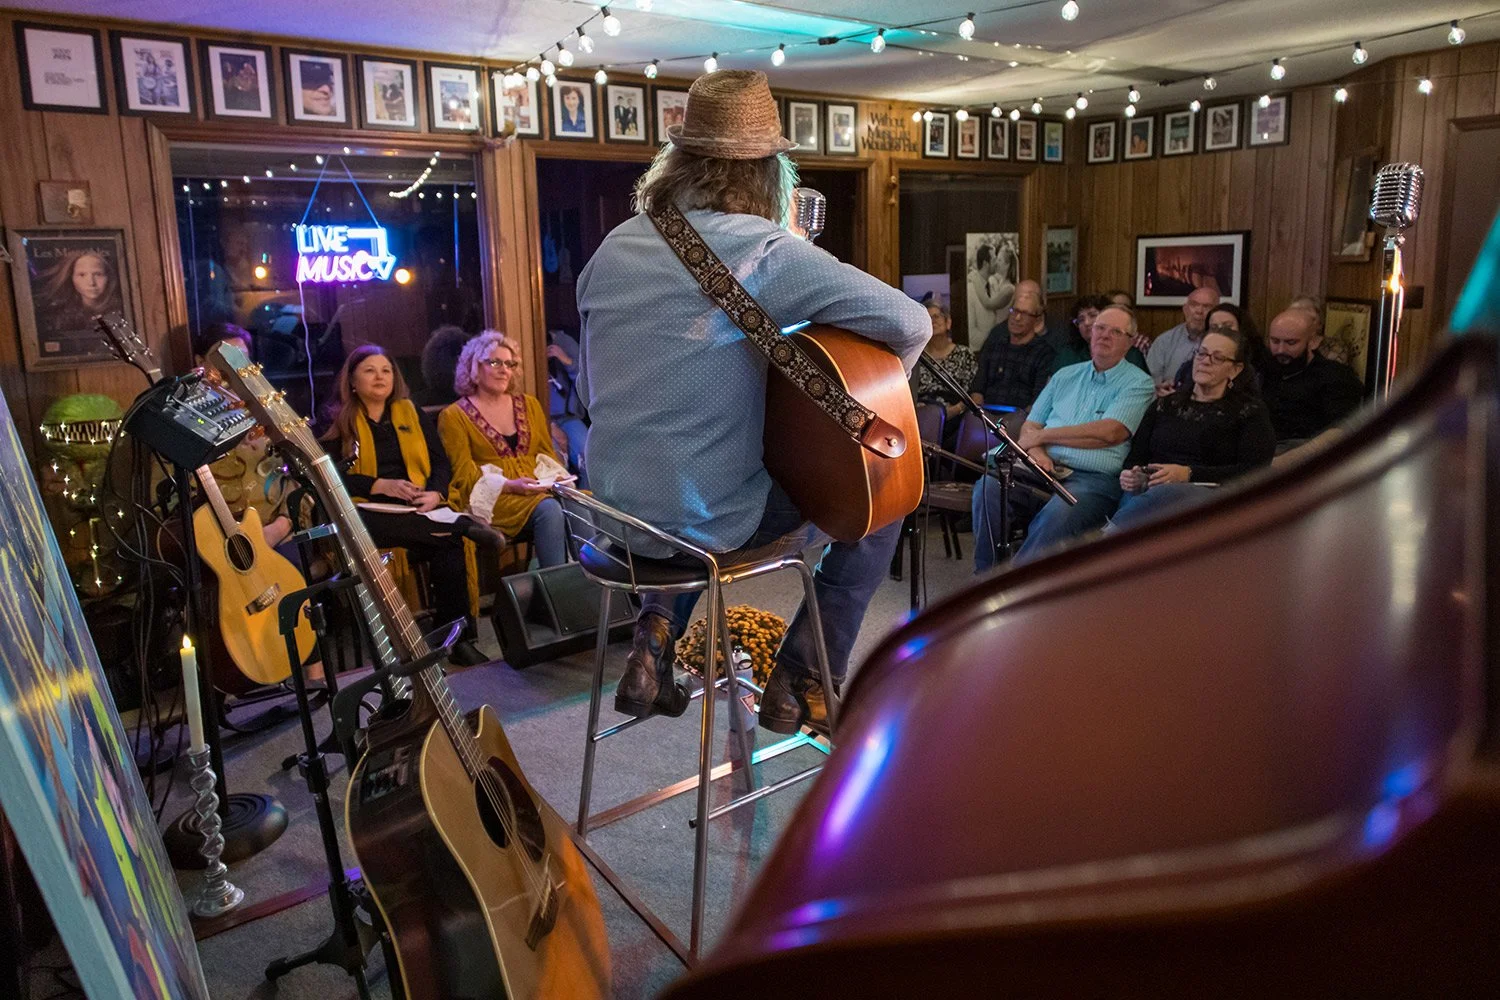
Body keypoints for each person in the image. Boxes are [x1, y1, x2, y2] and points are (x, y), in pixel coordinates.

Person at [576, 70, 930, 731]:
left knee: (682, 480)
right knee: (888, 494)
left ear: (677, 163)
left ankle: (653, 633)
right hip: (703, 527)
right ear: (771, 174)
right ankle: (803, 677)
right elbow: (911, 323)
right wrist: (867, 398)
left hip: (615, 518)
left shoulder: (612, 248)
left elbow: (598, 389)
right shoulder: (765, 250)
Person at [323, 345, 503, 666]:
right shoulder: (337, 422)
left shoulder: (410, 412)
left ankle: (456, 639)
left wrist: (434, 493)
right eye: (370, 370)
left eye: (386, 370)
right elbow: (328, 476)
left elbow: (439, 463)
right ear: (352, 380)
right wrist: (378, 485)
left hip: (416, 510)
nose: (380, 377)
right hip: (366, 512)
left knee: (447, 544)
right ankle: (462, 524)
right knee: (449, 533)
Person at [971, 304, 1154, 572]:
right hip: (1040, 467)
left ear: (1129, 342)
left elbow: (1110, 432)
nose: (1104, 335)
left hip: (1093, 479)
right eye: (1100, 328)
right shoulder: (1064, 375)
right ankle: (986, 577)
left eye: (1115, 331)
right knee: (987, 488)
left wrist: (1044, 436)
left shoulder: (1138, 383)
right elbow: (1029, 426)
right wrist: (1040, 453)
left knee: (1059, 514)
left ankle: (1016, 589)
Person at [1108, 326, 1275, 532]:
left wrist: (1188, 474)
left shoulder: (1249, 411)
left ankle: (1102, 546)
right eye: (1202, 353)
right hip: (1152, 487)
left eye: (1217, 358)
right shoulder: (1164, 405)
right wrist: (1133, 474)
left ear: (1235, 369)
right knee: (1136, 496)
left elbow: (1253, 470)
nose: (1205, 361)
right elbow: (1136, 457)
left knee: (1162, 495)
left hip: (1211, 491)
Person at [438, 331, 571, 568]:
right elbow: (463, 476)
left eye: (510, 364)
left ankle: (590, 587)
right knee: (549, 510)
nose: (504, 369)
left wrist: (557, 476)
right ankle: (557, 593)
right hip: (494, 497)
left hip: (536, 488)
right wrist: (510, 485)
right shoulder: (453, 416)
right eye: (494, 362)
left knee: (578, 502)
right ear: (474, 367)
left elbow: (545, 454)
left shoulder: (529, 404)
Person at [1258, 308, 1364, 465]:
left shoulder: (1335, 376)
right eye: (1275, 341)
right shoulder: (1263, 369)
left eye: (1291, 343)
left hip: (1308, 459)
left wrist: (1280, 463)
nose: (1281, 350)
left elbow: (1341, 431)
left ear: (1313, 342)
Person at [968, 285, 1056, 413]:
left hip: (1020, 418)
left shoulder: (1044, 353)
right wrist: (980, 414)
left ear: (1036, 319)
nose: (1017, 318)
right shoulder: (994, 345)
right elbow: (977, 388)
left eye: (1024, 313)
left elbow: (1038, 401)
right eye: (1014, 311)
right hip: (986, 415)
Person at [910, 299, 977, 454]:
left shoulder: (964, 354)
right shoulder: (917, 355)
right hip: (922, 414)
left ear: (948, 322)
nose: (932, 321)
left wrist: (953, 410)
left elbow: (971, 393)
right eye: (927, 318)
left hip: (955, 415)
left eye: (936, 316)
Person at [1146, 285, 1220, 396]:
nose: (1199, 311)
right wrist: (1160, 390)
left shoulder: (1222, 343)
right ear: (1185, 309)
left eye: (1206, 307)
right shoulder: (1164, 341)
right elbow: (1149, 383)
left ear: (1216, 313)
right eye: (1194, 305)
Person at [1053, 294, 1149, 374]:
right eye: (1081, 320)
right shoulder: (1067, 354)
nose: (1087, 323)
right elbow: (1052, 387)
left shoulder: (1131, 355)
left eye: (1092, 315)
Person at [37, 249, 121, 337]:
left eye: (98, 274)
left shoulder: (122, 311)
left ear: (109, 278)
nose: (91, 283)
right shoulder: (56, 318)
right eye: (82, 275)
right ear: (71, 278)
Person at [545, 329, 590, 488]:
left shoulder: (563, 341)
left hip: (569, 418)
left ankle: (589, 511)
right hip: (543, 421)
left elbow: (585, 381)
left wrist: (566, 361)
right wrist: (549, 425)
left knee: (589, 460)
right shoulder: (526, 344)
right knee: (556, 466)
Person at [967, 243, 1012, 347]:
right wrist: (996, 340)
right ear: (986, 263)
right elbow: (972, 334)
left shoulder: (994, 284)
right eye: (994, 259)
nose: (996, 263)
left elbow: (991, 306)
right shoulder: (971, 290)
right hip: (982, 350)